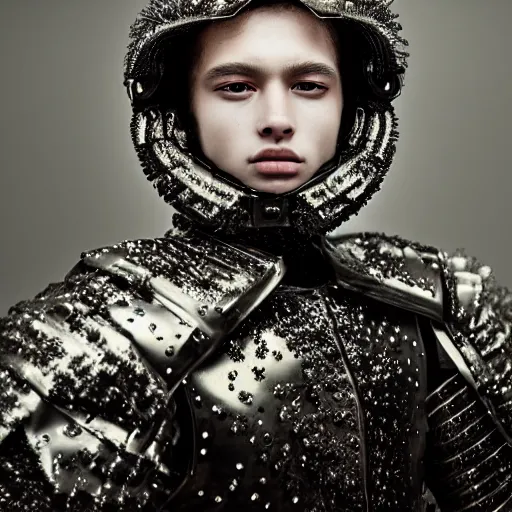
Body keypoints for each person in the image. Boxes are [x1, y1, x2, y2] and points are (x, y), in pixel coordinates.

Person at [0, 0, 511, 510]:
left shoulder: (434, 302)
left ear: (350, 105)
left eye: (309, 85)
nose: (276, 120)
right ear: (182, 108)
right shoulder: (104, 324)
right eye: (236, 87)